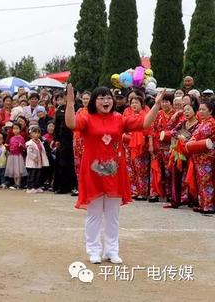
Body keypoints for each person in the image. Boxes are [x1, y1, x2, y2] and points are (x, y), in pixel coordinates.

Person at [65, 84, 162, 265]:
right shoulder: (87, 118)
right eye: (101, 98)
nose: (106, 101)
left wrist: (156, 105)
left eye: (108, 97)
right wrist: (70, 103)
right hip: (93, 172)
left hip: (114, 172)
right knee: (94, 214)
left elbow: (144, 123)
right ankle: (94, 250)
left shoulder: (119, 119)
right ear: (94, 101)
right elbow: (71, 124)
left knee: (112, 215)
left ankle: (112, 250)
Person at [186, 101, 215, 215]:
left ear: (210, 111)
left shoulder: (211, 123)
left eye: (204, 109)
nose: (201, 112)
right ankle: (203, 203)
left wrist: (191, 140)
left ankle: (209, 205)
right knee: (200, 181)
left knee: (207, 181)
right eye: (200, 109)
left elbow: (199, 135)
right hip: (199, 156)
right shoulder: (202, 122)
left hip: (207, 157)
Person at [25, 126, 49, 193]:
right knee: (32, 175)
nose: (37, 134)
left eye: (38, 133)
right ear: (31, 134)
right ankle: (30, 187)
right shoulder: (30, 143)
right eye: (35, 132)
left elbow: (42, 150)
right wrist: (34, 158)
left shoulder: (40, 141)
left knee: (38, 175)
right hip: (32, 162)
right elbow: (29, 153)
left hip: (39, 162)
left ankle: (36, 187)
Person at [4, 123, 27, 189]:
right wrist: (7, 146)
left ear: (20, 129)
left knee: (18, 170)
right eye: (14, 129)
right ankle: (15, 183)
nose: (15, 130)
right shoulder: (11, 138)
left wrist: (21, 146)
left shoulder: (21, 138)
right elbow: (10, 147)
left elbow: (24, 147)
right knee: (14, 170)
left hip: (18, 156)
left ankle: (18, 183)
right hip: (12, 156)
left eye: (17, 128)